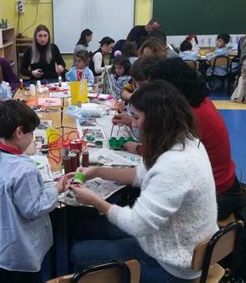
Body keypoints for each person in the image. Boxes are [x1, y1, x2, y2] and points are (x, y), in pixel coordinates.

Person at [69, 80, 217, 282]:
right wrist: (97, 171)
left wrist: (95, 201)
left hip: (173, 265)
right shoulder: (185, 141)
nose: (134, 123)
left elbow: (136, 224)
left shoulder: (175, 164)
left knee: (79, 252)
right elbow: (139, 174)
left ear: (157, 119)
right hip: (175, 242)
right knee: (86, 227)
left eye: (137, 117)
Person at [117, 56, 242, 220]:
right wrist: (134, 120)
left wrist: (138, 148)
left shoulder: (186, 117)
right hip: (225, 185)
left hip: (215, 197)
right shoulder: (197, 102)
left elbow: (159, 155)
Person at [0, 100, 68, 283]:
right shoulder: (24, 169)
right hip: (17, 249)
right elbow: (33, 208)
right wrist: (56, 188)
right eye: (31, 133)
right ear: (19, 132)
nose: (32, 137)